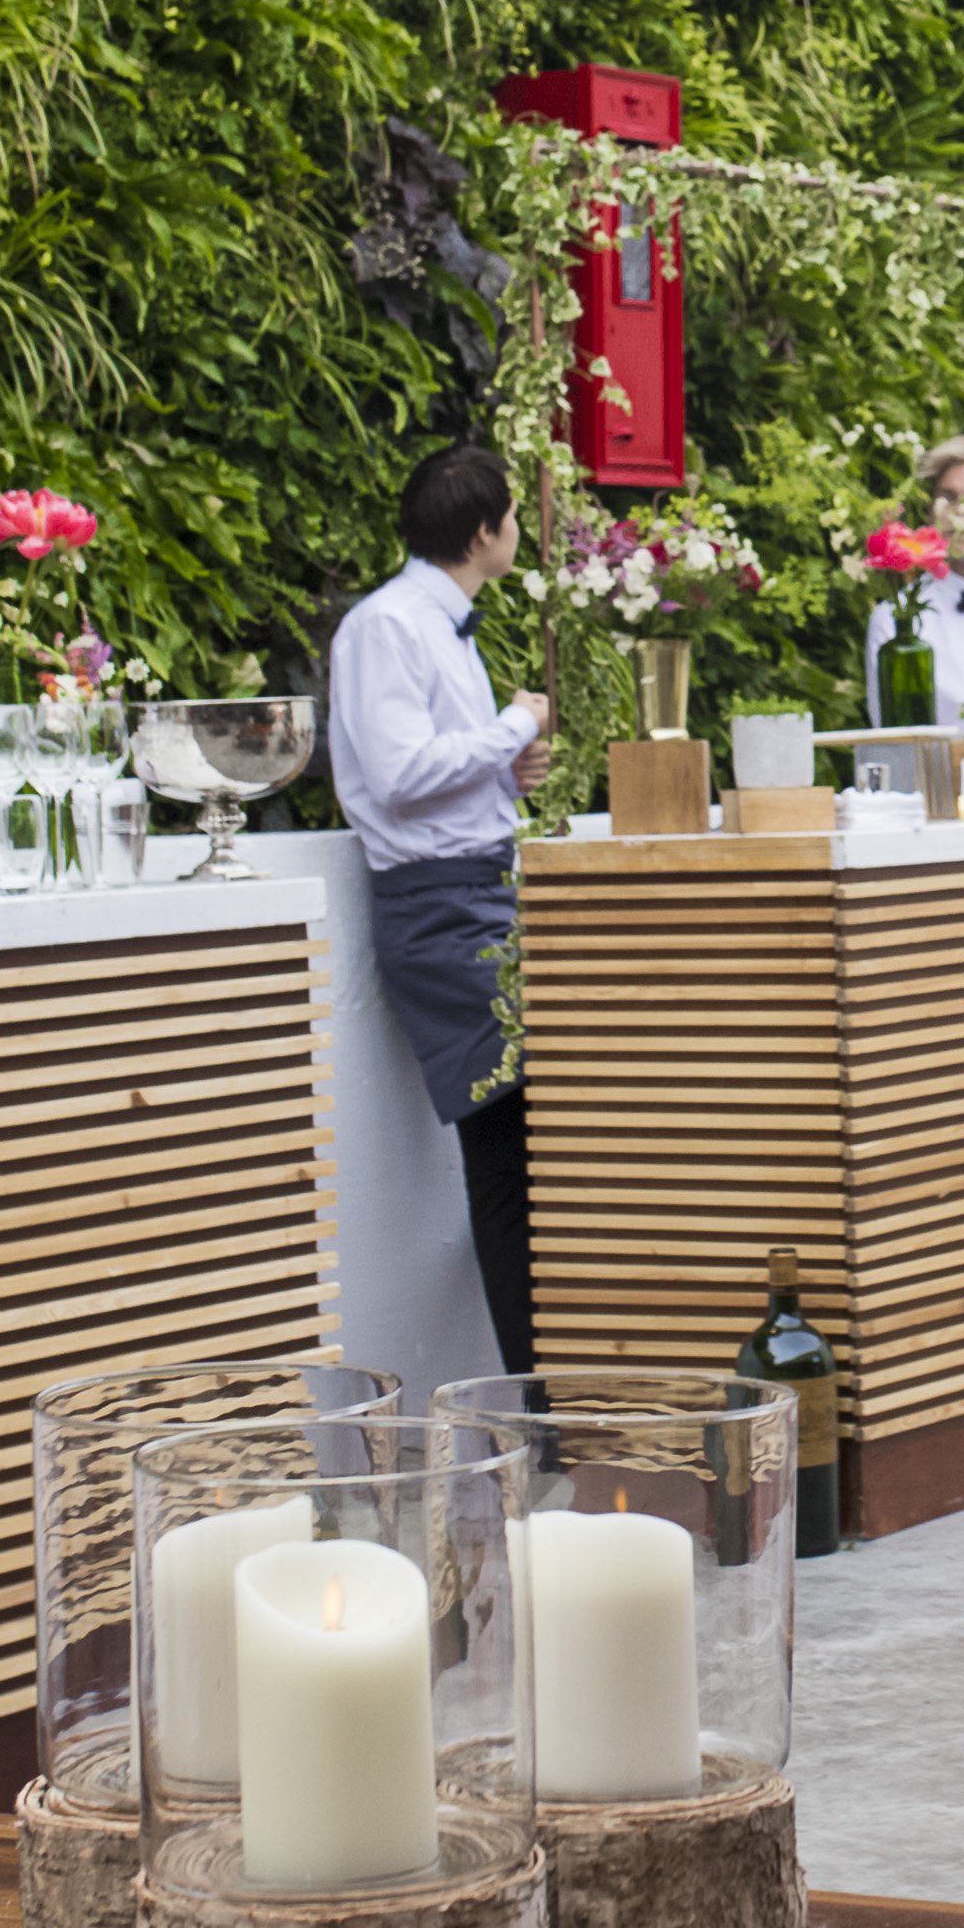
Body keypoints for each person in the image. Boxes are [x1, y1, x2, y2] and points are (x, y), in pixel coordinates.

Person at [326, 442, 561, 1372]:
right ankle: (541, 1411)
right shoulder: (387, 626)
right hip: (440, 914)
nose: (517, 536)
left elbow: (444, 771)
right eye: (512, 521)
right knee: (506, 1156)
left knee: (533, 1150)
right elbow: (399, 775)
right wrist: (516, 726)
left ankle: (555, 1398)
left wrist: (507, 763)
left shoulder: (438, 622)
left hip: (485, 896)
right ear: (484, 531)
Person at [859, 433, 964, 725]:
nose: (962, 512)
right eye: (949, 498)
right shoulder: (894, 619)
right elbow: (893, 740)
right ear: (931, 511)